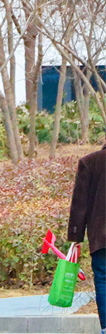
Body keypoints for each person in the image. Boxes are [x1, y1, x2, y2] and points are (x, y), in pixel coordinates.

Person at [70, 143, 106, 334]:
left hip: (100, 236)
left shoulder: (89, 162)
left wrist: (76, 237)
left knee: (103, 279)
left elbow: (79, 204)